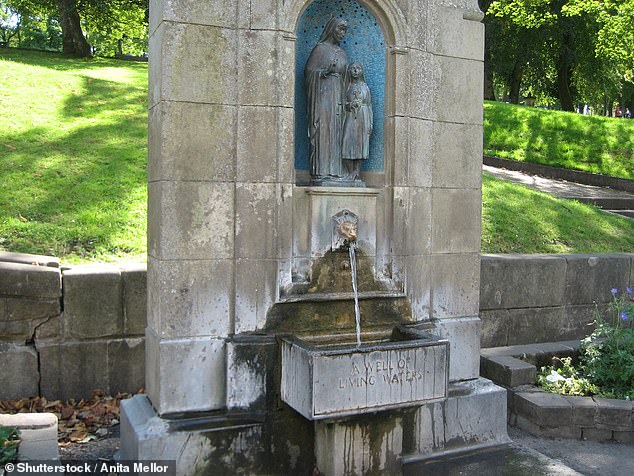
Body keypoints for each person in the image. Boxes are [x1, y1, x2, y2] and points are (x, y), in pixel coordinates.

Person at [304, 17, 349, 181]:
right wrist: (323, 73)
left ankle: (337, 171)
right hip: (322, 95)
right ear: (331, 29)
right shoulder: (320, 50)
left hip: (339, 96)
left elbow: (347, 78)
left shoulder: (343, 53)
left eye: (345, 30)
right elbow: (309, 73)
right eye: (340, 29)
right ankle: (322, 170)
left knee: (337, 131)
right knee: (324, 129)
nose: (342, 33)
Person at [341, 63, 373, 181]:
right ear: (349, 71)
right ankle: (349, 172)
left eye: (358, 68)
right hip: (350, 117)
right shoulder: (346, 87)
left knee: (360, 145)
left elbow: (369, 105)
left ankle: (356, 172)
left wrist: (370, 123)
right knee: (346, 142)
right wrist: (350, 105)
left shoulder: (365, 87)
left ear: (361, 71)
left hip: (363, 117)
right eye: (353, 69)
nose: (355, 71)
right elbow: (342, 103)